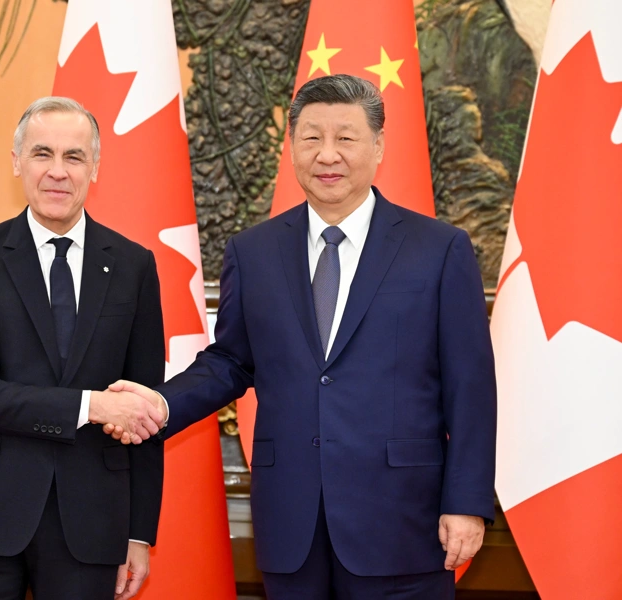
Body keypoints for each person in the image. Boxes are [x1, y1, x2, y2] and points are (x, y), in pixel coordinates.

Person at [108, 75, 497, 599]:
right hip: (292, 523)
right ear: (292, 148)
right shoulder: (254, 251)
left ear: (378, 146)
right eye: (311, 138)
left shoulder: (440, 249)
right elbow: (230, 361)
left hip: (403, 521)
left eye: (346, 138)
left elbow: (470, 386)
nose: (327, 154)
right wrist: (159, 401)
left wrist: (467, 501)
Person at [0, 97, 166, 600]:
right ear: (17, 163)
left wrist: (139, 533)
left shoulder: (134, 266)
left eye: (74, 157)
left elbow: (145, 406)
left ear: (95, 168)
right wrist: (90, 405)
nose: (58, 172)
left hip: (92, 522)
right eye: (42, 154)